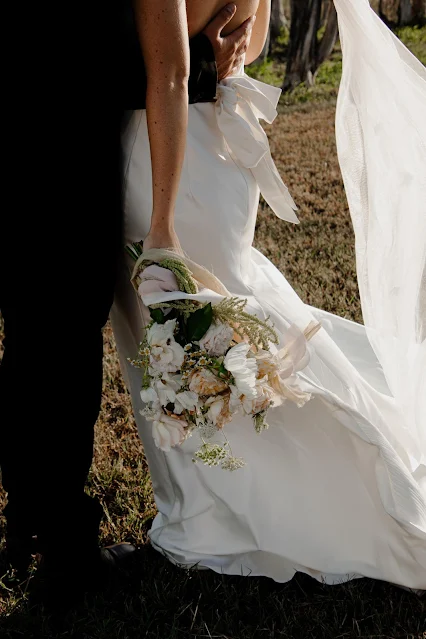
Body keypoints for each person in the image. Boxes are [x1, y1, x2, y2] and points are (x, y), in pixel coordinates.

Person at [111, 0, 426, 591]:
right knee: (223, 341)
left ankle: (213, 517)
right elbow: (248, 47)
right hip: (221, 151)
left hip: (168, 165)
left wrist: (161, 223)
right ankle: (210, 508)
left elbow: (171, 75)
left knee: (187, 342)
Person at [0, 1, 252, 600]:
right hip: (64, 152)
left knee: (31, 342)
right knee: (60, 347)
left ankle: (28, 522)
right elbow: (167, 68)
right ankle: (65, 556)